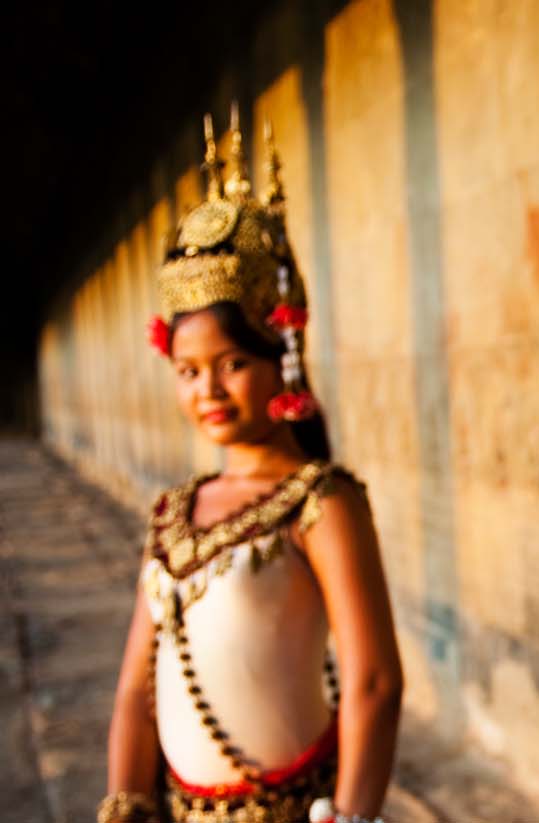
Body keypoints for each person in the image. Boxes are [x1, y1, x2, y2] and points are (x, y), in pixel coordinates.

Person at [98, 108, 403, 823]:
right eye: (188, 369)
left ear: (280, 359)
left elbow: (374, 681)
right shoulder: (173, 512)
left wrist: (353, 814)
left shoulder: (321, 500)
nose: (207, 389)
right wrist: (125, 803)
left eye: (232, 363)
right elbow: (136, 689)